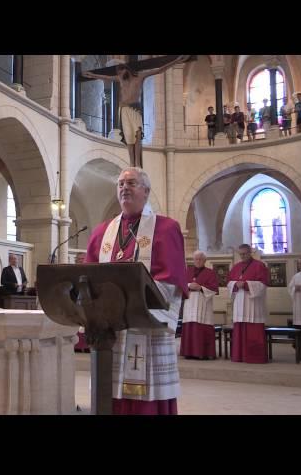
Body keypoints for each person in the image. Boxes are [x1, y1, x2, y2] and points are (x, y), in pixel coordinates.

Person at [85, 166, 187, 415]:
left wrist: (132, 302)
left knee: (145, 390)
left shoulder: (165, 228)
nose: (124, 188)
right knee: (109, 389)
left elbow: (171, 279)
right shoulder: (102, 232)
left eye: (131, 183)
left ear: (146, 191)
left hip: (146, 327)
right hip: (111, 328)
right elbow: (87, 275)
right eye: (120, 184)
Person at [82, 57, 189, 167]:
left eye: (121, 70)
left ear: (127, 69)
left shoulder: (140, 76)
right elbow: (105, 77)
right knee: (128, 137)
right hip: (124, 110)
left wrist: (176, 61)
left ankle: (138, 162)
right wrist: (91, 75)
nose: (120, 73)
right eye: (118, 72)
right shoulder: (120, 78)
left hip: (135, 109)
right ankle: (132, 163)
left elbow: (159, 70)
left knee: (137, 135)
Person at [227, 244, 269, 363]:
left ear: (250, 252)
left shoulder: (259, 266)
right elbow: (229, 282)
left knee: (253, 329)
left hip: (253, 303)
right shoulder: (236, 267)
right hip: (240, 301)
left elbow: (263, 284)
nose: (243, 256)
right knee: (239, 326)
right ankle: (239, 355)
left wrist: (245, 284)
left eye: (245, 253)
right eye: (241, 254)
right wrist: (235, 284)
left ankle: (254, 357)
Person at [180, 250, 219, 360]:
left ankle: (203, 353)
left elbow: (214, 288)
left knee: (202, 325)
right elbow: (181, 285)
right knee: (189, 324)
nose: (198, 261)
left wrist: (200, 287)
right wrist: (188, 285)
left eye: (200, 259)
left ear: (205, 260)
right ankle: (188, 352)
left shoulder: (210, 272)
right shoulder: (188, 271)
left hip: (203, 302)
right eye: (196, 259)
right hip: (190, 301)